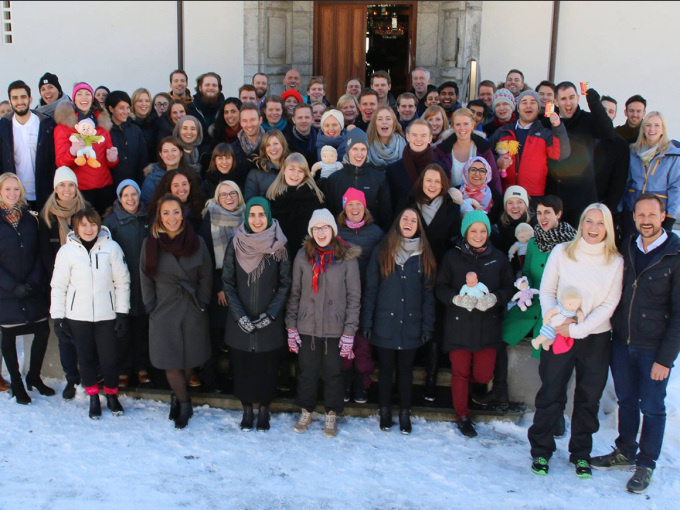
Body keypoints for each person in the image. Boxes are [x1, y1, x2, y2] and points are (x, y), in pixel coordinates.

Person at [590, 194, 680, 493]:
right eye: (640, 215)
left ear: (663, 215)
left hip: (653, 347)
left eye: (651, 215)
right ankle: (625, 450)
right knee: (626, 400)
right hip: (622, 342)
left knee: (652, 406)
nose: (645, 221)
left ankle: (646, 463)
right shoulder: (627, 247)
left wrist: (665, 359)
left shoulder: (675, 253)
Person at [528, 203, 623, 478]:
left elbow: (609, 303)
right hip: (559, 333)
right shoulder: (562, 252)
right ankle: (541, 451)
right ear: (581, 224)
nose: (593, 228)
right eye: (588, 221)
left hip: (595, 337)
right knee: (551, 393)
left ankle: (581, 453)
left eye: (600, 223)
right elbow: (547, 291)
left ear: (608, 227)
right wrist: (558, 323)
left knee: (588, 398)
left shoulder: (614, 261)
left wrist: (579, 330)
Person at [497, 196, 576, 423]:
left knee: (552, 358)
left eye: (547, 213)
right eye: (539, 213)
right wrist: (524, 285)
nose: (542, 217)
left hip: (556, 309)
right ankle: (499, 390)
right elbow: (530, 273)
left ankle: (556, 412)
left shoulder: (570, 243)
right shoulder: (533, 241)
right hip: (533, 303)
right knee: (499, 333)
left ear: (558, 214)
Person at [435, 210, 514, 437]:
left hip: (487, 326)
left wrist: (495, 298)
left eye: (482, 231)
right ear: (465, 232)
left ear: (488, 233)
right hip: (459, 324)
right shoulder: (452, 257)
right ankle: (463, 414)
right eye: (473, 230)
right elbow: (440, 287)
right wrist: (455, 299)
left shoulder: (498, 258)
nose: (478, 235)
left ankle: (468, 393)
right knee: (459, 372)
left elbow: (509, 286)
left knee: (483, 375)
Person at [285, 208, 361, 437]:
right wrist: (291, 325)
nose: (321, 232)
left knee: (333, 373)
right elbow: (295, 293)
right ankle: (306, 410)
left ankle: (331, 413)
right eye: (316, 228)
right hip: (307, 325)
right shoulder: (302, 256)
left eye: (325, 227)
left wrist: (349, 332)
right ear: (311, 231)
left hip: (335, 328)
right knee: (307, 372)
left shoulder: (347, 257)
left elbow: (354, 298)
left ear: (332, 230)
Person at [50, 206, 131, 419]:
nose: (89, 229)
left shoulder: (111, 248)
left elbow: (122, 282)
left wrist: (122, 313)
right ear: (76, 228)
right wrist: (58, 318)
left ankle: (112, 394)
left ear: (99, 225)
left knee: (109, 359)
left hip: (106, 315)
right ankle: (93, 396)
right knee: (85, 359)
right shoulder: (67, 252)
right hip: (77, 315)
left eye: (92, 224)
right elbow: (58, 286)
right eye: (84, 225)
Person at [140, 194, 212, 429]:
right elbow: (144, 276)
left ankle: (177, 396)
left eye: (176, 212)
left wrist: (202, 302)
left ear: (183, 214)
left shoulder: (196, 240)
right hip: (164, 306)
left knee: (189, 356)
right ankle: (184, 401)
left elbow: (206, 274)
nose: (172, 218)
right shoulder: (150, 242)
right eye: (166, 213)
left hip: (191, 306)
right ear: (159, 216)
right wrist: (151, 305)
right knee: (170, 360)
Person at [363, 207, 436, 434]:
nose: (408, 221)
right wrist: (367, 322)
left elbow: (428, 295)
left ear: (418, 227)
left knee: (406, 371)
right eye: (404, 217)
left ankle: (405, 412)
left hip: (411, 325)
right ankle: (384, 411)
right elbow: (371, 290)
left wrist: (427, 326)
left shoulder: (424, 254)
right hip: (385, 323)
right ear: (398, 222)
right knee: (385, 370)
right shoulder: (382, 251)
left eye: (413, 220)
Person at [222, 197, 290, 431]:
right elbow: (228, 283)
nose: (257, 219)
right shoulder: (235, 243)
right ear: (247, 217)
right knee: (242, 368)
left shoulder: (279, 245)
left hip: (268, 322)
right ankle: (247, 410)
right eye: (253, 215)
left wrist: (270, 315)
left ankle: (264, 410)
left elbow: (285, 284)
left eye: (262, 215)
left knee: (267, 368)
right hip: (239, 321)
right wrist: (239, 315)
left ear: (268, 216)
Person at [407, 164, 462, 401]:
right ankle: (406, 377)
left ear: (443, 186)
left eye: (437, 182)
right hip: (412, 272)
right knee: (412, 320)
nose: (432, 185)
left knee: (436, 325)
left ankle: (431, 378)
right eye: (428, 180)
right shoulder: (409, 205)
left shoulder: (452, 209)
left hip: (440, 273)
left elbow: (455, 242)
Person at [0, 173, 54, 404]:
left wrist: (33, 281)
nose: (13, 194)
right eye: (8, 189)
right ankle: (17, 383)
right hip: (6, 291)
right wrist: (12, 286)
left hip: (31, 287)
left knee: (42, 331)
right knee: (9, 336)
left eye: (16, 189)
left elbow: (38, 253)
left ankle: (34, 376)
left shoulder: (31, 219)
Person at [39, 166, 87, 399]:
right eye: (62, 185)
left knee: (86, 334)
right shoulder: (46, 217)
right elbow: (44, 255)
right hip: (59, 285)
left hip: (84, 285)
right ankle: (71, 379)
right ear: (55, 189)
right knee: (64, 335)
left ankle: (88, 375)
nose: (67, 190)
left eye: (70, 185)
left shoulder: (86, 213)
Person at [102, 179, 151, 387]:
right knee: (123, 330)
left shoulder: (148, 217)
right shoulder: (111, 221)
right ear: (120, 198)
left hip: (145, 281)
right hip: (122, 282)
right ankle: (123, 369)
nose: (130, 198)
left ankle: (141, 366)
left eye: (134, 194)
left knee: (142, 328)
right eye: (126, 195)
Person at [337, 188, 383, 404]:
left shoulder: (376, 233)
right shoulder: (336, 232)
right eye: (350, 204)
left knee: (363, 342)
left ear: (365, 208)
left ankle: (361, 383)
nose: (354, 208)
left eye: (358, 204)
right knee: (345, 339)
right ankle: (345, 381)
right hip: (342, 296)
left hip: (367, 296)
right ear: (344, 208)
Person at [548, 83, 617, 227]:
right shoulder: (548, 122)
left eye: (572, 97)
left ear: (578, 98)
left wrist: (594, 103)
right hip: (556, 196)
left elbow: (608, 132)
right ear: (556, 101)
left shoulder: (588, 120)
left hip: (582, 196)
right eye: (564, 98)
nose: (568, 103)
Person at [199, 180, 244, 389]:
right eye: (224, 194)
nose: (228, 198)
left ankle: (237, 379)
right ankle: (212, 380)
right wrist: (219, 287)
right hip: (218, 285)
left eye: (232, 193)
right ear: (217, 198)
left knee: (238, 337)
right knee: (215, 335)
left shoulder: (247, 217)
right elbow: (205, 257)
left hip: (242, 285)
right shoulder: (209, 219)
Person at [53, 82, 119, 213]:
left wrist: (112, 159)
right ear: (74, 99)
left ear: (92, 98)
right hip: (81, 189)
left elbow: (111, 163)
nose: (84, 98)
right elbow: (60, 163)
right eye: (80, 94)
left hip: (104, 187)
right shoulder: (64, 128)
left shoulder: (102, 125)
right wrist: (72, 151)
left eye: (87, 94)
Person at [491, 90, 570, 196]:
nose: (528, 106)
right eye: (524, 102)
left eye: (533, 102)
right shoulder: (503, 132)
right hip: (506, 195)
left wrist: (558, 127)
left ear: (538, 108)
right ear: (518, 108)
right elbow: (486, 157)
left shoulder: (545, 133)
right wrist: (497, 161)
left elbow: (560, 154)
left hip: (534, 196)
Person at [620, 111, 680, 240]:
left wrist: (671, 216)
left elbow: (675, 188)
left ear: (663, 129)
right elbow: (624, 182)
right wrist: (619, 209)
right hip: (632, 210)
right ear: (643, 128)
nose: (652, 129)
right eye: (648, 125)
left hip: (657, 213)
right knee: (629, 248)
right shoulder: (633, 151)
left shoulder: (673, 155)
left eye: (657, 125)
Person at [0, 79, 56, 211]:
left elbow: (53, 160)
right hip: (15, 196)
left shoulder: (46, 124)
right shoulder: (3, 127)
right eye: (15, 98)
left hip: (44, 194)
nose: (20, 102)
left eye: (23, 97)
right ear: (10, 101)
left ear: (30, 99)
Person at [324, 128, 392, 230]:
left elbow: (385, 213)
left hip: (372, 237)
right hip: (342, 237)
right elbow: (329, 213)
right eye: (355, 149)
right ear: (348, 150)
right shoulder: (334, 179)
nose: (359, 154)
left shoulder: (378, 177)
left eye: (363, 149)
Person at [267, 152, 324, 260]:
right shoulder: (272, 198)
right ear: (284, 170)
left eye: (300, 171)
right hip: (278, 258)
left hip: (307, 257)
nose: (295, 174)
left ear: (305, 174)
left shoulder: (314, 197)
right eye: (291, 169)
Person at [435, 108, 502, 191]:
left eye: (466, 124)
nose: (462, 128)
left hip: (479, 200)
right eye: (458, 124)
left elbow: (494, 180)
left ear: (472, 125)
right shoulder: (442, 150)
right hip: (450, 200)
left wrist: (496, 202)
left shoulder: (483, 148)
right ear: (453, 127)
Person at [385, 119, 434, 214]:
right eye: (414, 135)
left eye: (423, 135)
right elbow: (389, 206)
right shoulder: (393, 170)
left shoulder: (440, 168)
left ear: (430, 138)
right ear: (407, 136)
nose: (418, 139)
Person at [106, 90, 149, 187]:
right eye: (121, 108)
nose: (126, 112)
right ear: (111, 109)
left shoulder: (136, 130)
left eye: (128, 108)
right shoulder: (105, 131)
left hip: (134, 185)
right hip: (111, 186)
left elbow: (143, 160)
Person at [148, 168, 205, 233]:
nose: (181, 189)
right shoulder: (157, 214)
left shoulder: (200, 211)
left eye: (184, 184)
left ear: (190, 185)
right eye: (176, 185)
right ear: (169, 188)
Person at [141, 137, 189, 207]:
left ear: (181, 153)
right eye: (166, 151)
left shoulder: (191, 175)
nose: (170, 154)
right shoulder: (152, 179)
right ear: (161, 155)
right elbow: (147, 205)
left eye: (174, 150)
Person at [243, 129, 289, 201]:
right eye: (268, 145)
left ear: (283, 144)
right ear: (264, 149)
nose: (272, 148)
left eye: (275, 143)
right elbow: (250, 201)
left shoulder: (293, 167)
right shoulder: (256, 172)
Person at [188, 72, 225, 155]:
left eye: (214, 85)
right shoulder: (191, 108)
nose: (211, 88)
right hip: (197, 155)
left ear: (219, 88)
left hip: (221, 155)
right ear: (200, 88)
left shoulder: (225, 108)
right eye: (207, 85)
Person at [458, 157, 503, 223]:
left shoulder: (495, 196)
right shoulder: (457, 192)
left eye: (482, 171)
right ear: (466, 171)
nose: (477, 174)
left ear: (487, 174)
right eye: (473, 170)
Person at [231, 103, 264, 188]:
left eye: (252, 119)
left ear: (260, 120)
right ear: (240, 122)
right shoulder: (233, 149)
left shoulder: (271, 146)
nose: (249, 125)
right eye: (245, 121)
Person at [130, 88, 159, 163]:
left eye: (147, 101)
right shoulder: (128, 125)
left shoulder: (157, 123)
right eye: (140, 101)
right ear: (133, 103)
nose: (144, 104)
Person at [285, 103, 318, 168]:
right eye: (300, 118)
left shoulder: (320, 138)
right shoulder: (285, 140)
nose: (303, 121)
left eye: (307, 117)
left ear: (312, 119)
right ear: (294, 119)